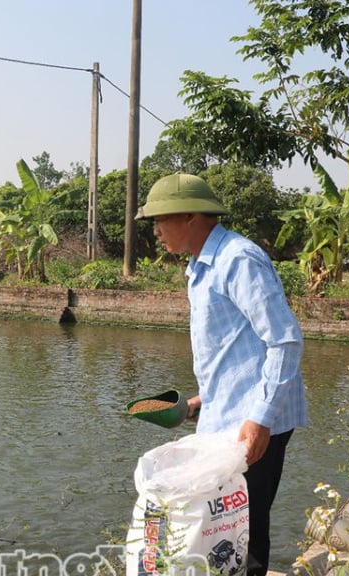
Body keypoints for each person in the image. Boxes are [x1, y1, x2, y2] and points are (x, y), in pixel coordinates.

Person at [136, 173, 308, 576]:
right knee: (222, 523)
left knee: (246, 526)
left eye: (161, 219)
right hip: (229, 415)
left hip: (258, 419)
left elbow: (284, 341)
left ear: (192, 216)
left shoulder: (237, 258)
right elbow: (236, 349)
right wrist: (201, 401)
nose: (156, 230)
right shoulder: (199, 267)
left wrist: (260, 419)